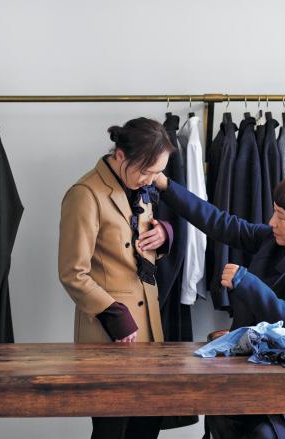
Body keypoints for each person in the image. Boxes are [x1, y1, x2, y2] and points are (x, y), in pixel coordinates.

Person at [154, 173, 285, 439]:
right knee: (219, 411)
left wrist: (246, 282)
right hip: (263, 363)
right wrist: (166, 186)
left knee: (264, 433)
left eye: (281, 216)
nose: (272, 222)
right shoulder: (274, 239)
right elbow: (221, 224)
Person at [58, 117, 175, 439]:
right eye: (146, 171)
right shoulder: (85, 194)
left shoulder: (141, 187)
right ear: (120, 155)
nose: (151, 180)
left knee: (146, 427)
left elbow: (135, 248)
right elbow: (72, 272)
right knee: (112, 429)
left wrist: (163, 235)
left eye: (156, 173)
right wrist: (112, 314)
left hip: (149, 327)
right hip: (111, 333)